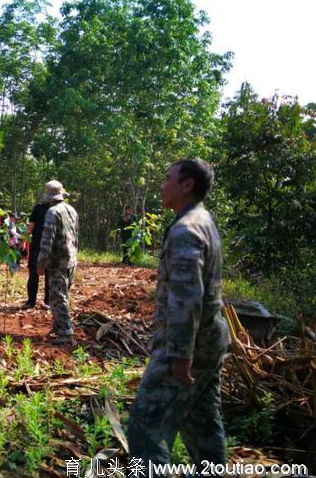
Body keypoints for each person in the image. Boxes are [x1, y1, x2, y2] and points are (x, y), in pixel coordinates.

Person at [127, 159, 230, 472]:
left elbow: (187, 296)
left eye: (168, 178)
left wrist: (180, 355)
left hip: (187, 345)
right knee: (202, 423)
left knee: (147, 425)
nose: (162, 184)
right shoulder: (203, 220)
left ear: (187, 185)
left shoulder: (186, 229)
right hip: (211, 339)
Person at [36, 180, 79, 346]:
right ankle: (58, 326)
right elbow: (76, 237)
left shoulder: (52, 213)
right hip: (71, 260)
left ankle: (66, 332)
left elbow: (47, 240)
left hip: (57, 262)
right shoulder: (71, 210)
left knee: (57, 297)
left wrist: (41, 263)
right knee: (63, 295)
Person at [24, 200, 50, 309]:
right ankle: (37, 301)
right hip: (43, 246)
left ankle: (40, 301)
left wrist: (23, 241)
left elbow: (31, 226)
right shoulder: (41, 208)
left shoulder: (41, 207)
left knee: (42, 274)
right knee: (40, 274)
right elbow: (31, 225)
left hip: (44, 246)